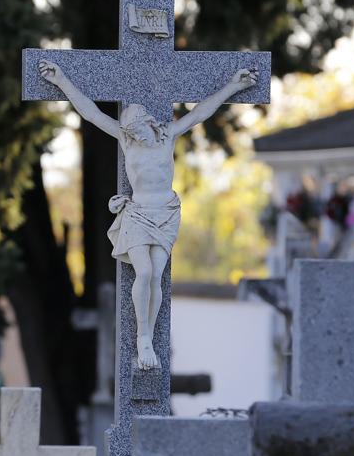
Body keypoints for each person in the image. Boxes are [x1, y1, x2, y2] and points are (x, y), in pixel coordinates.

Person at [38, 59, 258, 368]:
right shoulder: (128, 141)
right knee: (143, 273)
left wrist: (235, 86)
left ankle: (149, 336)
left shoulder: (166, 136)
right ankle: (144, 341)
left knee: (156, 275)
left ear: (147, 123)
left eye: (137, 129)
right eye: (130, 131)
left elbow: (200, 112)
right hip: (138, 213)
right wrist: (60, 79)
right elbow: (90, 112)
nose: (134, 134)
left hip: (166, 212)